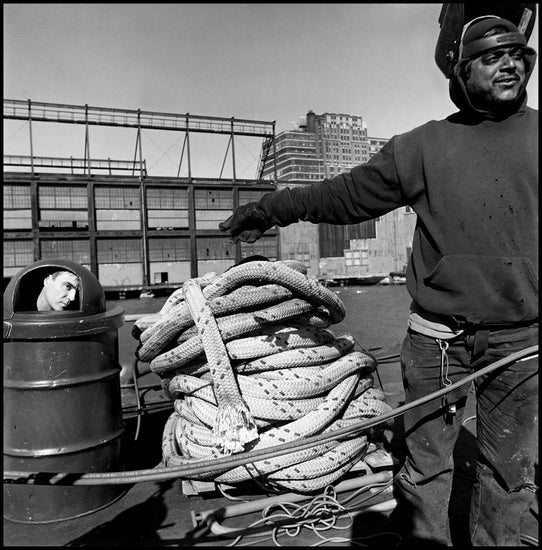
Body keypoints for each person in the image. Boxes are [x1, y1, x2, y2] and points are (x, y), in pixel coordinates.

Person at [219, 15, 538, 548]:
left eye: (519, 55)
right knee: (424, 469)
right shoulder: (420, 148)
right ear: (460, 72)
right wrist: (272, 208)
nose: (510, 63)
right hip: (438, 343)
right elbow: (344, 196)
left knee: (511, 477)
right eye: (491, 56)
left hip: (521, 347)